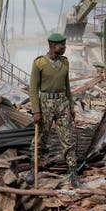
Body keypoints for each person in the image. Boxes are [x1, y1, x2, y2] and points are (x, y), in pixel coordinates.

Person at [28, 33, 78, 187]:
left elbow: (67, 86)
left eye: (64, 44)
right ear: (52, 45)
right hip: (45, 103)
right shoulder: (39, 63)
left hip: (62, 102)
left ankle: (73, 172)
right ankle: (33, 168)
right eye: (62, 45)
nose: (64, 47)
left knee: (68, 138)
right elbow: (33, 88)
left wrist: (71, 106)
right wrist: (36, 111)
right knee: (41, 137)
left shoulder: (65, 62)